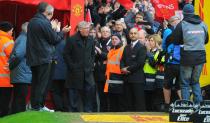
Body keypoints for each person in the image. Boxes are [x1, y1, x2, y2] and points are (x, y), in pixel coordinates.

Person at [26, 2, 70, 112]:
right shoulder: (44, 22)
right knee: (42, 83)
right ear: (47, 12)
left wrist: (52, 29)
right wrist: (61, 32)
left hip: (34, 57)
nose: (52, 15)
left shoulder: (32, 21)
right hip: (44, 57)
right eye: (51, 13)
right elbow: (54, 40)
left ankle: (36, 105)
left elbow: (45, 38)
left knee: (36, 82)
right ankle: (38, 106)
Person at [173, 4, 209, 104]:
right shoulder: (203, 24)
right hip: (200, 57)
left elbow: (175, 41)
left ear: (183, 14)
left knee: (185, 83)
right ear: (193, 13)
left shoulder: (182, 24)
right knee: (195, 82)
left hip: (187, 57)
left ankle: (186, 106)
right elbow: (206, 40)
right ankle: (198, 105)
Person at [64, 21, 95, 112]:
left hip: (88, 72)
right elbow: (66, 55)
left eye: (88, 29)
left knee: (89, 91)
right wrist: (72, 66)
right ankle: (72, 112)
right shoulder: (72, 39)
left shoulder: (91, 39)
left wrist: (91, 64)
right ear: (80, 29)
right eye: (86, 29)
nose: (88, 30)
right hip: (75, 72)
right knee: (73, 93)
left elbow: (92, 54)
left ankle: (88, 110)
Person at [120, 27, 147, 111]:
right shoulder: (126, 47)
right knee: (128, 102)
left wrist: (127, 69)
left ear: (138, 35)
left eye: (135, 33)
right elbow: (122, 60)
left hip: (137, 79)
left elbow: (140, 63)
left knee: (139, 102)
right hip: (127, 79)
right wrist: (122, 68)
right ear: (129, 35)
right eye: (131, 33)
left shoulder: (142, 47)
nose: (133, 35)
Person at [9, 22, 32, 114]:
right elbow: (18, 55)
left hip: (20, 73)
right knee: (20, 100)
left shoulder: (22, 38)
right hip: (22, 74)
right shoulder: (24, 39)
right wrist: (11, 65)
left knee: (18, 99)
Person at [103, 33, 125, 112]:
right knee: (111, 101)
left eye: (116, 39)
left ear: (120, 40)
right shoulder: (111, 50)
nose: (114, 40)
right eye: (112, 39)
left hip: (118, 78)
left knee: (118, 101)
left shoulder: (122, 50)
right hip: (109, 78)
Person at [0, 21, 14, 117]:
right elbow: (15, 56)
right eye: (12, 30)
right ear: (8, 30)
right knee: (4, 104)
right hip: (4, 79)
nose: (12, 32)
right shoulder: (8, 41)